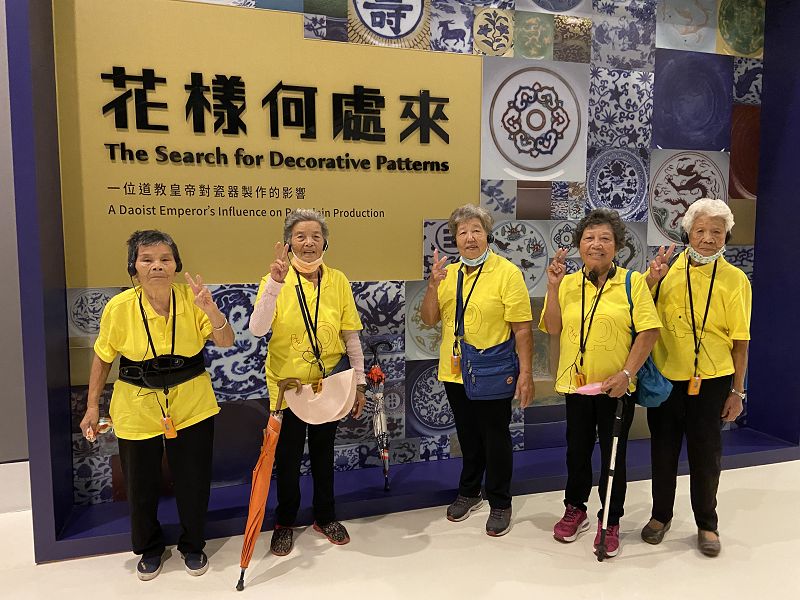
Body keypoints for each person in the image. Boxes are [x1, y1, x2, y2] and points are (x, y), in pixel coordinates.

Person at [79, 230, 234, 581]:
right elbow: (103, 358)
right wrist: (92, 407)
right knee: (141, 484)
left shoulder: (193, 299)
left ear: (176, 265)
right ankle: (149, 548)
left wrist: (211, 310)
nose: (157, 266)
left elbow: (226, 341)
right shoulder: (119, 307)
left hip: (192, 402)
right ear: (133, 268)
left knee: (194, 480)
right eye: (147, 260)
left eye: (165, 259)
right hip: (136, 402)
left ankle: (193, 545)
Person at [540, 208, 661, 558]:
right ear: (579, 245)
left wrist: (627, 375)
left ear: (617, 246)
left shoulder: (631, 282)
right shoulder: (566, 283)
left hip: (616, 388)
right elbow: (553, 327)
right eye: (589, 238)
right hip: (576, 386)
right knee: (576, 451)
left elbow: (649, 332)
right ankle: (575, 508)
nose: (597, 244)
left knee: (613, 456)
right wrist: (552, 286)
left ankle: (610, 519)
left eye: (605, 238)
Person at [249, 209, 366, 556]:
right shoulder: (274, 279)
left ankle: (324, 516)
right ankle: (285, 522)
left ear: (325, 242)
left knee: (323, 453)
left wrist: (359, 384)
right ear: (288, 243)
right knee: (287, 458)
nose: (309, 242)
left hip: (328, 384)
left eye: (316, 236)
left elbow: (351, 335)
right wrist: (274, 284)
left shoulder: (338, 280)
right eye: (300, 236)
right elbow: (257, 328)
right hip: (288, 387)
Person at [641, 198, 751, 557]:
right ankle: (660, 516)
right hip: (667, 379)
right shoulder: (666, 271)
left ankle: (707, 523)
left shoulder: (735, 280)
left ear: (726, 236)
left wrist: (737, 391)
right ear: (687, 233)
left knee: (707, 453)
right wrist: (651, 280)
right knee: (663, 450)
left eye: (716, 231)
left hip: (713, 380)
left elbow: (740, 342)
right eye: (700, 230)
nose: (707, 238)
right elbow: (639, 312)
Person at [421, 204, 534, 537]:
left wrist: (526, 373)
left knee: (495, 437)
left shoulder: (507, 272)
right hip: (454, 370)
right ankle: (470, 491)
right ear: (455, 239)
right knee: (468, 434)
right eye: (462, 232)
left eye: (476, 230)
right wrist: (432, 285)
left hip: (491, 369)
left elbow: (522, 329)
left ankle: (500, 501)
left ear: (487, 235)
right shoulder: (448, 273)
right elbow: (429, 319)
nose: (469, 238)